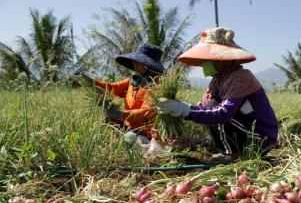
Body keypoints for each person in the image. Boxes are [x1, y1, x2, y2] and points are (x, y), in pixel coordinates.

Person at [158, 27, 279, 161]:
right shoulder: (218, 80)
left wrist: (185, 110)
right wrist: (181, 109)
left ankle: (233, 154)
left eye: (208, 59)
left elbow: (223, 113)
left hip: (261, 138)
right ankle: (226, 150)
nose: (205, 64)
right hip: (245, 131)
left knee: (216, 110)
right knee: (210, 105)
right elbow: (204, 109)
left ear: (222, 59)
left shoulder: (240, 78)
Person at [82, 43, 165, 140]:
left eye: (138, 63)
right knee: (107, 119)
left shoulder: (156, 86)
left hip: (145, 132)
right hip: (129, 127)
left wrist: (120, 114)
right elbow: (113, 88)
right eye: (134, 62)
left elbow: (146, 112)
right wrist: (93, 83)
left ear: (148, 66)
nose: (134, 65)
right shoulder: (133, 80)